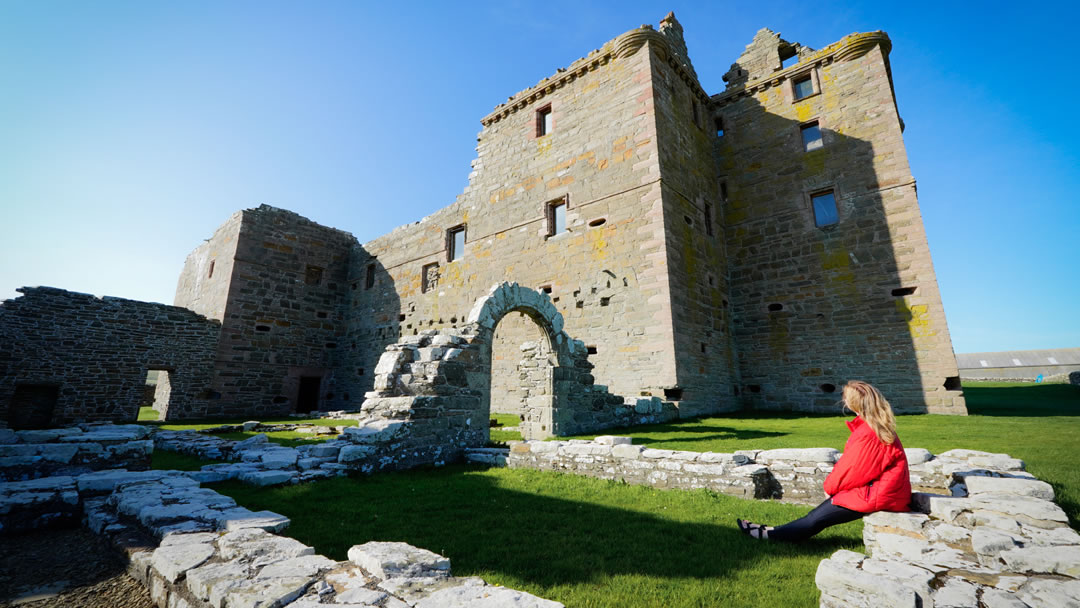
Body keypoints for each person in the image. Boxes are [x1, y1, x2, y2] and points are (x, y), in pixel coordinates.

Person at [736, 380, 911, 542]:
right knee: (816, 516)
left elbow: (853, 470)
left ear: (851, 403)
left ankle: (769, 535)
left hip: (880, 494)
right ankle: (773, 530)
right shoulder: (872, 427)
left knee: (815, 520)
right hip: (884, 491)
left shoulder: (868, 433)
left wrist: (830, 488)